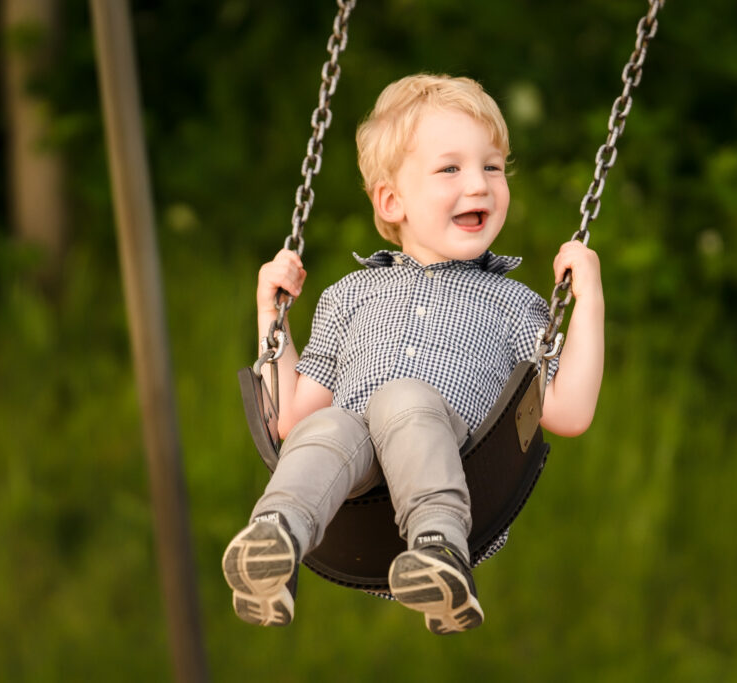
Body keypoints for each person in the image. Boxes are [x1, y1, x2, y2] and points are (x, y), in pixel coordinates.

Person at [222, 73, 604, 634]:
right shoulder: (348, 296)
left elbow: (568, 412)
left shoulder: (513, 304)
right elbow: (290, 417)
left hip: (456, 465)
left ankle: (438, 550)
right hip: (355, 492)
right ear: (392, 200)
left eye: (492, 167)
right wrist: (268, 314)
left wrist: (588, 297)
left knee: (402, 399)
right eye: (451, 168)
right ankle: (272, 540)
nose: (478, 184)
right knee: (327, 430)